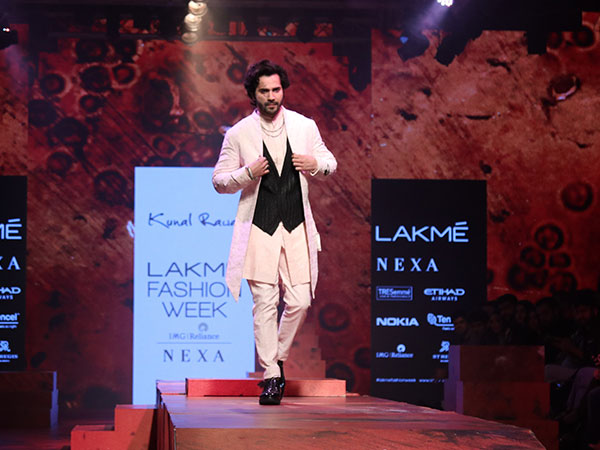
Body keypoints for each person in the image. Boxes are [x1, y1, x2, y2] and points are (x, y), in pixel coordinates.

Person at [212, 60, 337, 405]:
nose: (271, 96)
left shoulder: (304, 126)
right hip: (259, 228)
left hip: (296, 226)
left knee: (300, 300)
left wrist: (315, 164)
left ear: (283, 90)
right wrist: (247, 173)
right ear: (253, 94)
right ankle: (271, 375)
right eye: (264, 91)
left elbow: (330, 162)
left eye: (276, 89)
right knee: (265, 304)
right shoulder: (238, 134)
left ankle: (277, 359)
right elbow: (219, 181)